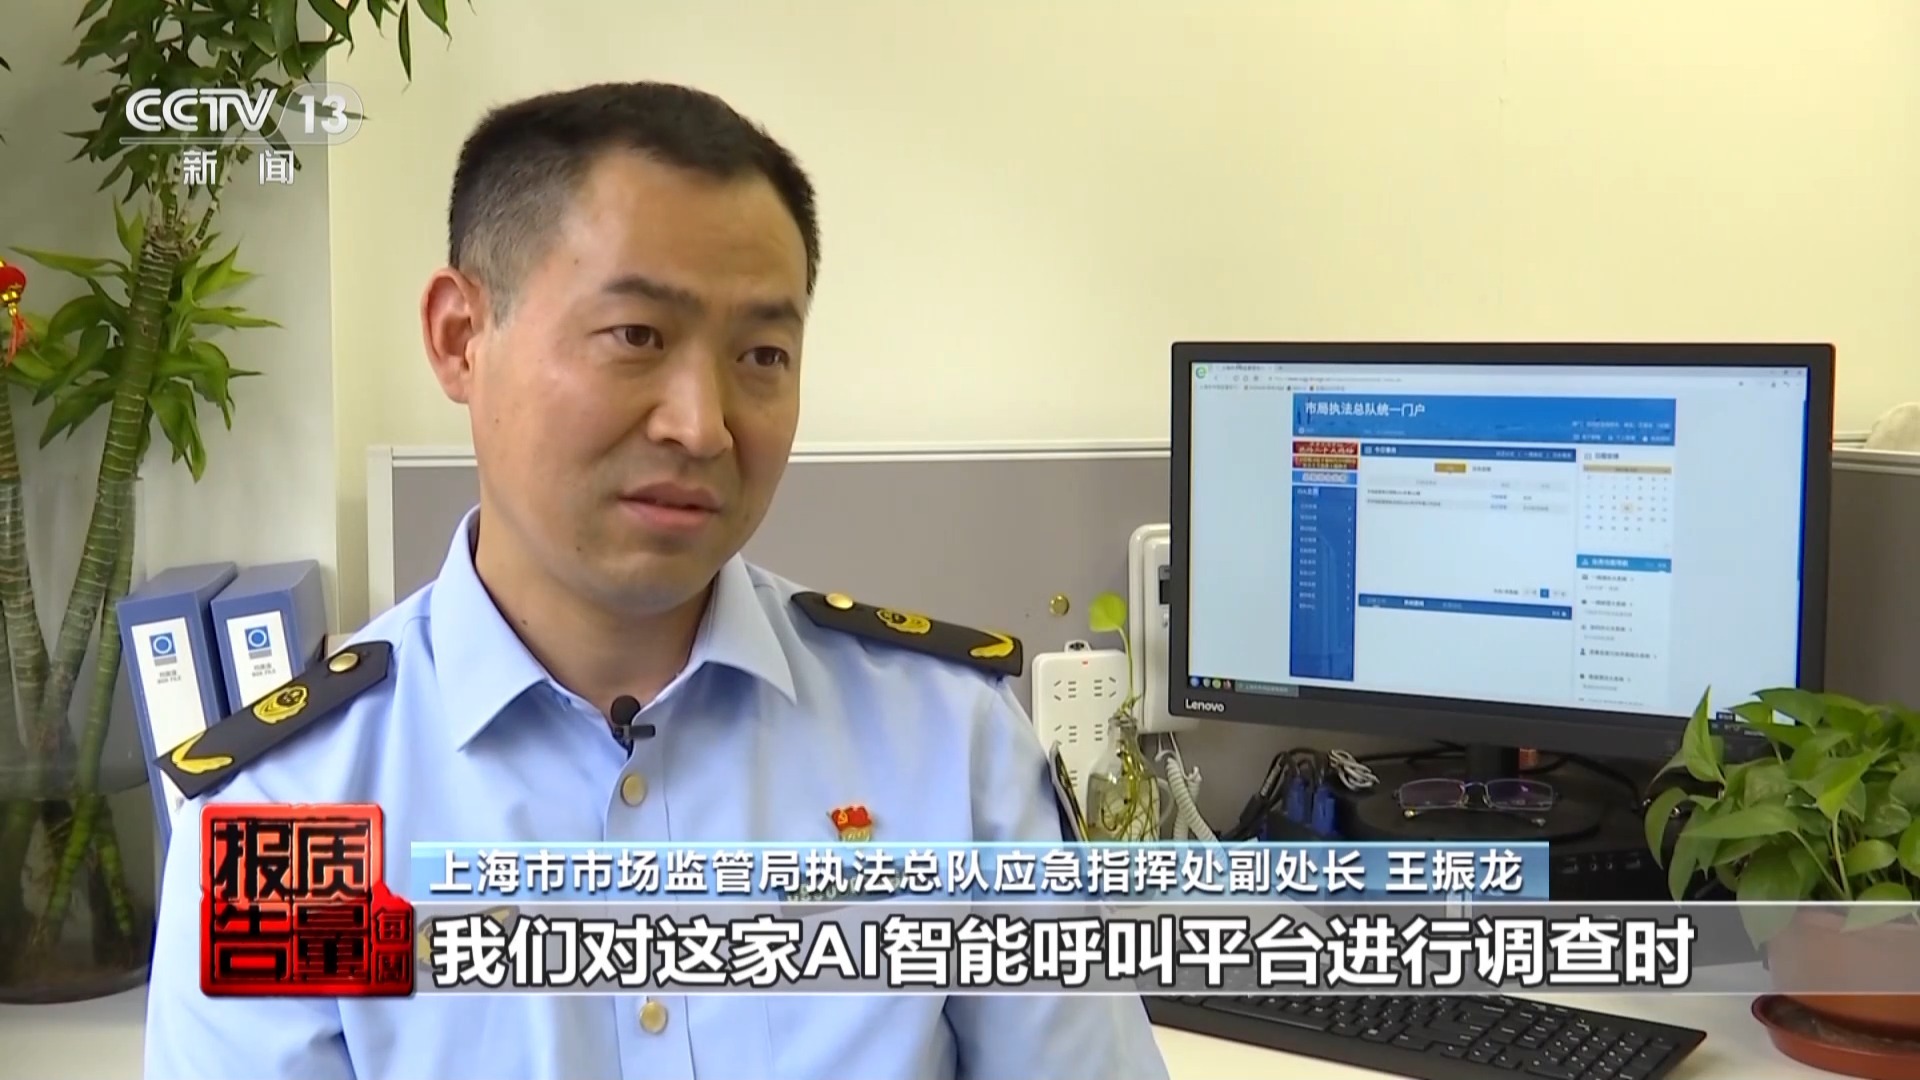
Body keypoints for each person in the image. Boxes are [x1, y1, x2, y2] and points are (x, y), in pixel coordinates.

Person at [143, 81, 1172, 1080]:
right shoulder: (289, 816)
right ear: (461, 338)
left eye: (761, 354)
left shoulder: (945, 745)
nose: (702, 425)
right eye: (636, 337)